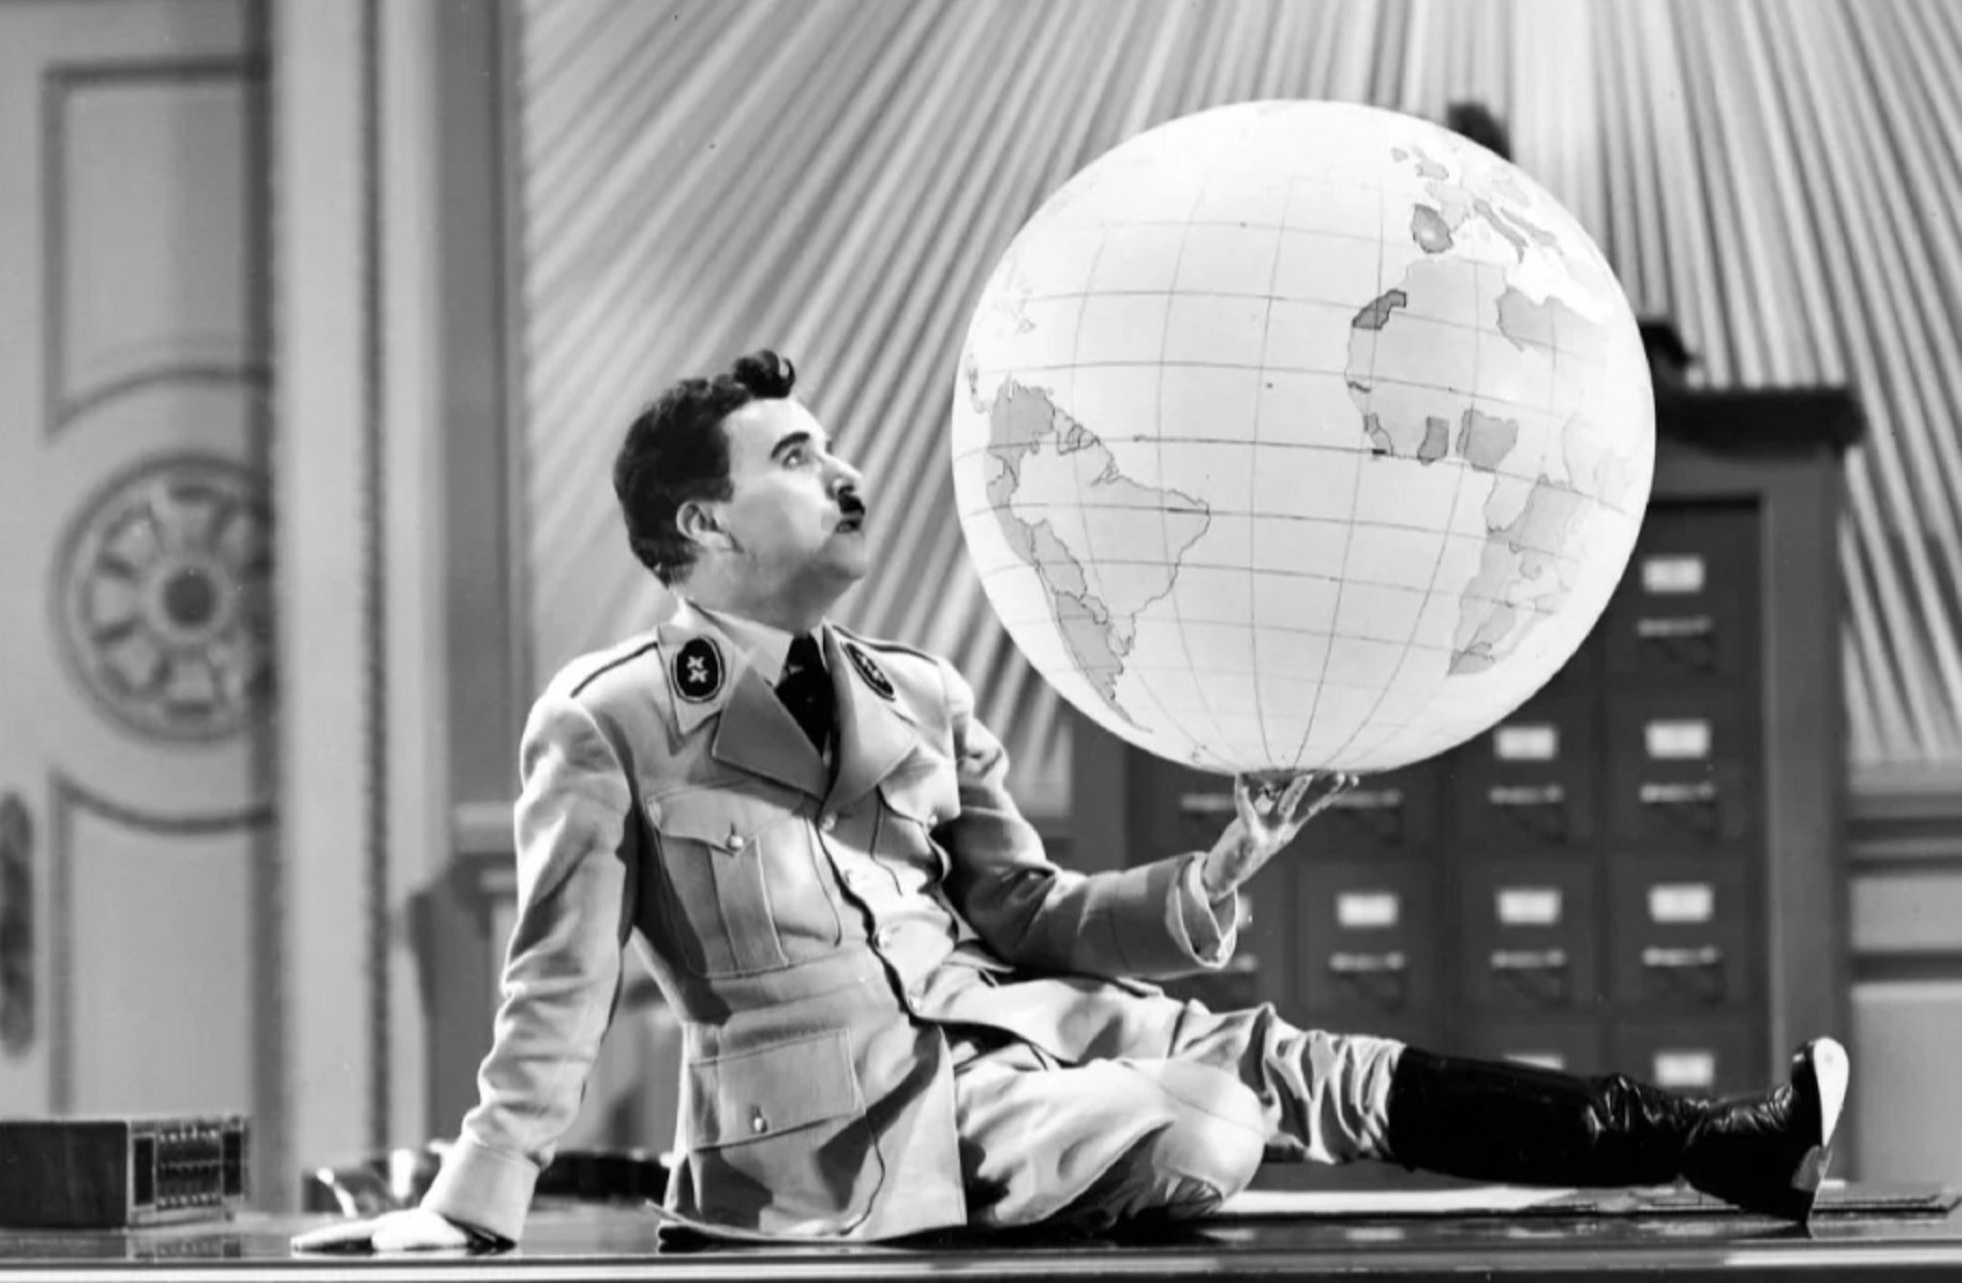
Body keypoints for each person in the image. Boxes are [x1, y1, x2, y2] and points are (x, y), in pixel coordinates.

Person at [294, 351, 1847, 1253]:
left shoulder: (918, 692)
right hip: (837, 1141)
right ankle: (1146, 1120)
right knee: (1206, 1117)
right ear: (704, 523)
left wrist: (1206, 876)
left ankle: (1716, 1143)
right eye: (800, 457)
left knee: (1304, 1064)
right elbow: (553, 991)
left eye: (836, 448)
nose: (847, 475)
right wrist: (473, 1206)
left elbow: (1024, 913)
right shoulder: (612, 719)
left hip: (1022, 1037)